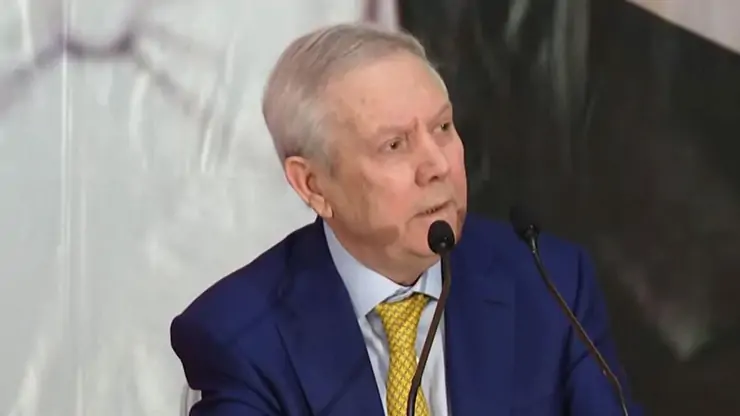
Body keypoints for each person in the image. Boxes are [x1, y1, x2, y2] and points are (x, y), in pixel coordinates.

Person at [170, 23, 641, 416]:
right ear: (313, 185)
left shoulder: (549, 282)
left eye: (443, 127)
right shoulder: (238, 337)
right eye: (395, 145)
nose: (437, 164)